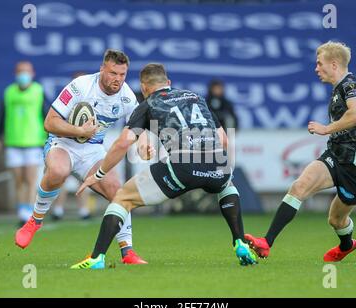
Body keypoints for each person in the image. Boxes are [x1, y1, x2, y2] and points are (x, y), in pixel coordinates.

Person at [70, 63, 257, 269]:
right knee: (227, 185)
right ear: (168, 83)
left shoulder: (148, 104)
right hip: (218, 163)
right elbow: (223, 140)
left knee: (122, 198)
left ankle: (97, 258)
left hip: (182, 166)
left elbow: (123, 143)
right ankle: (239, 241)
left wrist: (99, 173)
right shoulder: (195, 97)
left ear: (144, 87)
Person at [245, 41, 356, 262]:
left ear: (334, 64)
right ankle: (266, 242)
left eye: (319, 63)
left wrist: (326, 129)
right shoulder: (338, 89)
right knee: (299, 186)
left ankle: (347, 245)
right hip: (335, 157)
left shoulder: (351, 85)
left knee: (336, 220)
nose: (316, 68)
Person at [14, 49, 147, 265]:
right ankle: (34, 221)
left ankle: (128, 252)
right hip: (63, 143)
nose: (118, 79)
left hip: (93, 151)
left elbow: (139, 126)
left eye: (122, 75)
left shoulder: (127, 98)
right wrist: (80, 131)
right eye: (113, 73)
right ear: (102, 68)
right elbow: (49, 122)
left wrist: (143, 142)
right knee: (58, 171)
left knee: (118, 192)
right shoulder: (80, 86)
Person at [0, 61, 46, 225]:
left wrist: (51, 136)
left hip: (33, 141)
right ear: (16, 74)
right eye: (21, 71)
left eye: (26, 71)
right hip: (13, 141)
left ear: (32, 73)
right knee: (18, 180)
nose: (23, 75)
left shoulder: (38, 91)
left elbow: (46, 115)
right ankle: (22, 212)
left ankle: (29, 213)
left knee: (30, 178)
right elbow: (1, 116)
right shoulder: (9, 92)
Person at [51, 72, 91, 221]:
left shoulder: (91, 102)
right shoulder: (65, 101)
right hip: (66, 144)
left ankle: (84, 210)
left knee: (84, 179)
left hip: (85, 146)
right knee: (61, 177)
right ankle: (58, 210)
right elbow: (55, 121)